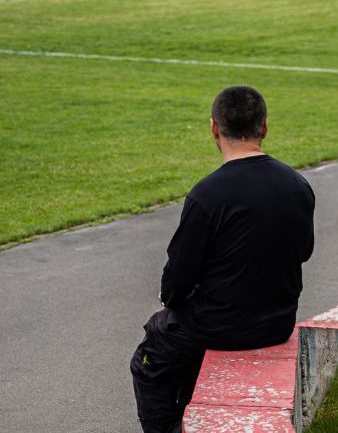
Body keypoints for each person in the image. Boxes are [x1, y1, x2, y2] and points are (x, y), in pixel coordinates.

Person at [130, 86, 315, 433]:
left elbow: (178, 278)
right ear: (264, 128)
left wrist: (171, 301)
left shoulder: (207, 195)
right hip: (277, 322)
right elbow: (303, 251)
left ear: (215, 128)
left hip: (220, 326)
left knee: (151, 356)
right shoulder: (297, 185)